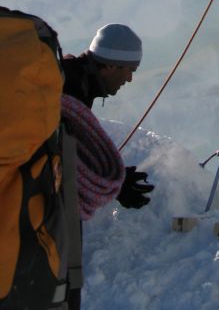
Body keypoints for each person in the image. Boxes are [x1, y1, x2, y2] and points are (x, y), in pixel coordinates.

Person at [62, 24, 155, 309]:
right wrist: (111, 184)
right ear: (109, 65)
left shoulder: (75, 78)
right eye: (128, 70)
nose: (128, 78)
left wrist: (116, 180)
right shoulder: (70, 88)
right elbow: (62, 158)